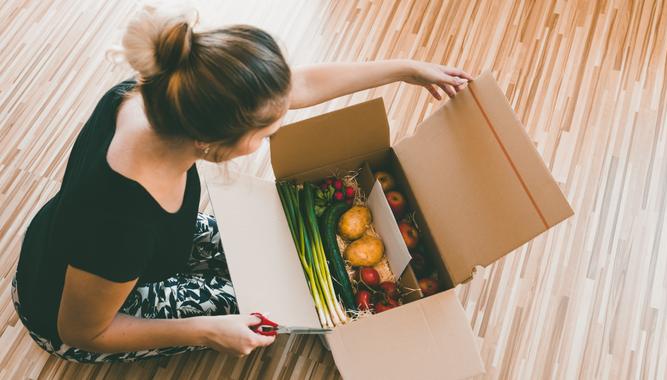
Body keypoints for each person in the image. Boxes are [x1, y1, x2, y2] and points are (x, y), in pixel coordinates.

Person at [11, 2, 473, 363]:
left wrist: (405, 68)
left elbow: (299, 87)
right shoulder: (122, 220)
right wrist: (209, 331)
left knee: (279, 260)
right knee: (265, 309)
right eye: (266, 133)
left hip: (104, 251)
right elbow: (82, 330)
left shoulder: (157, 96)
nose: (274, 130)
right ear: (214, 142)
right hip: (72, 315)